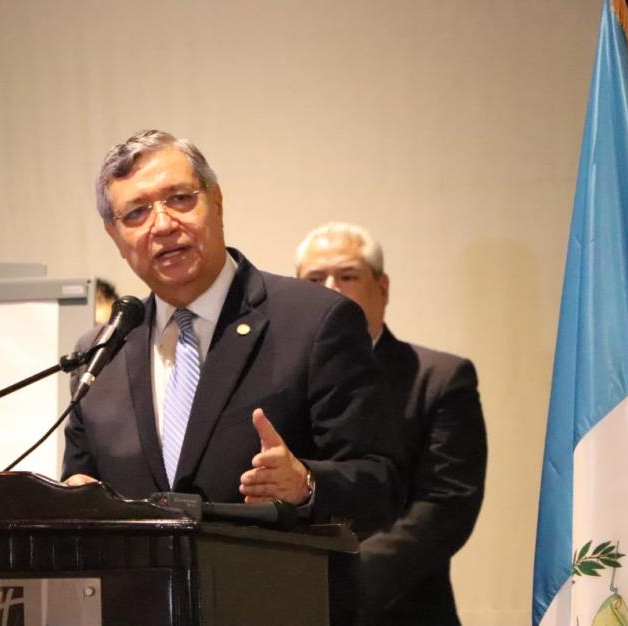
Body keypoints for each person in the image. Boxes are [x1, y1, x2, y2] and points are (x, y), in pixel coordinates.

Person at [61, 130, 403, 541]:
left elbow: (382, 485)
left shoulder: (315, 322)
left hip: (275, 598)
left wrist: (306, 485)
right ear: (115, 237)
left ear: (217, 202)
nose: (163, 224)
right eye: (136, 212)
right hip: (140, 601)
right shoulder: (101, 355)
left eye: (180, 198)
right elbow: (80, 484)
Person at [295, 222, 488, 626]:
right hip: (293, 605)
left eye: (347, 276)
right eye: (314, 279)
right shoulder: (281, 383)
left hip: (402, 609)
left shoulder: (439, 378)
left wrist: (339, 582)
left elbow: (445, 506)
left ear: (382, 289)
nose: (330, 289)